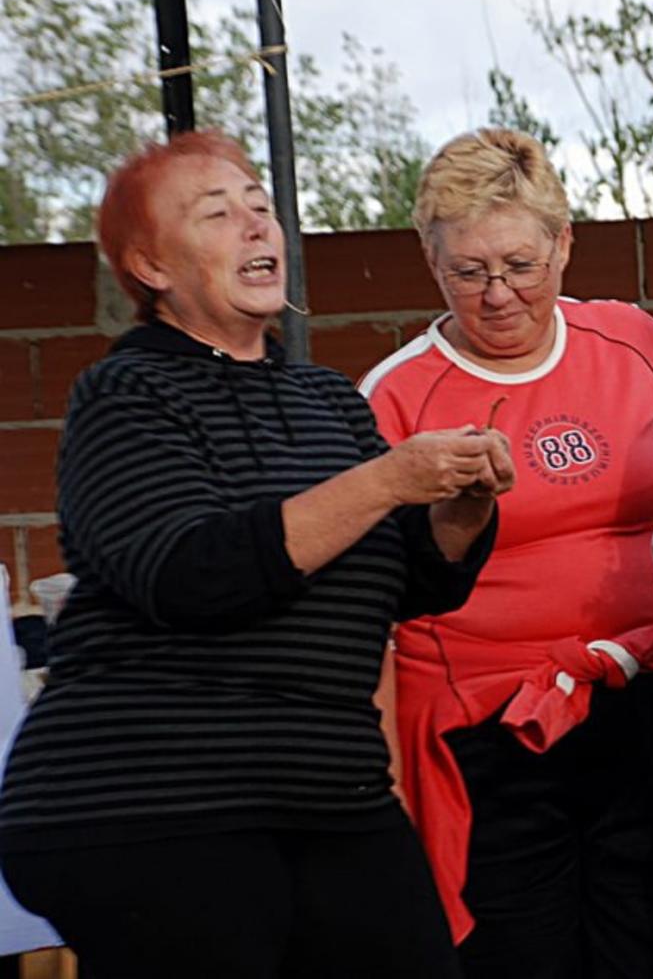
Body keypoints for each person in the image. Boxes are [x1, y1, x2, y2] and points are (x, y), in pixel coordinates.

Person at [0, 131, 509, 979]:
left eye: (261, 208)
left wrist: (462, 503)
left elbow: (408, 581)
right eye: (218, 213)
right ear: (151, 266)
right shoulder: (125, 393)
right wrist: (387, 481)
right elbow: (193, 574)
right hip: (151, 802)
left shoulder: (326, 399)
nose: (255, 227)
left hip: (326, 796)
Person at [362, 128, 653, 978]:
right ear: (430, 260)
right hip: (484, 728)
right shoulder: (397, 393)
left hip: (644, 692)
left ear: (564, 244)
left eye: (520, 266)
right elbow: (366, 605)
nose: (496, 294)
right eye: (469, 271)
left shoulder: (634, 341)